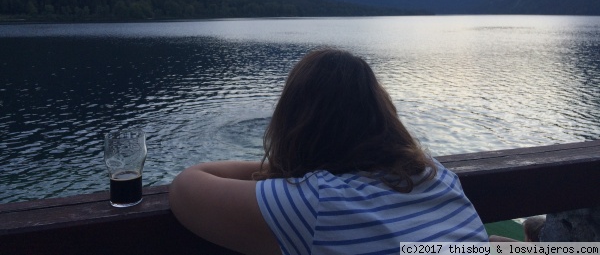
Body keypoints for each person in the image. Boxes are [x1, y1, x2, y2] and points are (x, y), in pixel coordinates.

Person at [170, 48, 488, 255]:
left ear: (294, 122)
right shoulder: (434, 173)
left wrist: (283, 165)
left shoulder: (318, 201)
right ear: (382, 113)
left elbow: (186, 187)